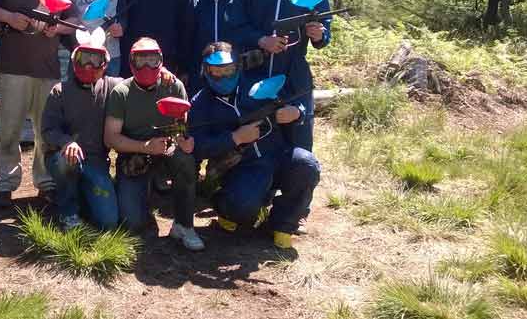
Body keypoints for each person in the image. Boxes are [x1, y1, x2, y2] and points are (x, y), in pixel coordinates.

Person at [188, 42, 321, 249]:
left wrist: (297, 113)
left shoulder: (259, 86)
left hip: (277, 154)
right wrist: (235, 138)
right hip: (242, 166)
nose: (223, 76)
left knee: (307, 164)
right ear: (205, 71)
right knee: (241, 205)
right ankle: (226, 206)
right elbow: (198, 146)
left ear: (238, 67)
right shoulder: (200, 103)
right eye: (215, 71)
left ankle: (282, 223)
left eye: (228, 69)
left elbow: (296, 103)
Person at [0, 0, 78, 207]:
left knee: (45, 131)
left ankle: (46, 181)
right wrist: (10, 18)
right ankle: (6, 183)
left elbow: (73, 19)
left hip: (47, 70)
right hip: (13, 67)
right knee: (9, 129)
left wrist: (57, 28)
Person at [225, 0, 332, 151]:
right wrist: (261, 40)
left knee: (299, 141)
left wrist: (319, 34)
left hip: (294, 73)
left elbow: (324, 33)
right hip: (256, 70)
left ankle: (297, 185)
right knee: (254, 140)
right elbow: (233, 26)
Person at [104, 37, 203, 251]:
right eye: (141, 60)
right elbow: (111, 138)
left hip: (167, 149)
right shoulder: (122, 92)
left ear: (161, 61)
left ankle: (184, 224)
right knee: (132, 223)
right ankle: (143, 197)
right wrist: (145, 147)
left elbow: (182, 127)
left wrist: (184, 142)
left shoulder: (173, 86)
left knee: (185, 159)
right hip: (135, 154)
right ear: (131, 62)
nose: (147, 66)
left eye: (153, 59)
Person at [40, 38, 119, 230]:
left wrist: (166, 74)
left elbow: (138, 87)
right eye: (84, 58)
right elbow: (48, 130)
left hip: (95, 162)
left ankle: (81, 192)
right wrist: (66, 142)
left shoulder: (114, 87)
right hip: (63, 157)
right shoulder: (60, 91)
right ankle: (68, 212)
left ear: (105, 63)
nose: (89, 65)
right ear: (75, 61)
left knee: (108, 222)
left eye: (96, 59)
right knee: (67, 162)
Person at [190, 0, 236, 93]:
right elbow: (187, 38)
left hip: (232, 72)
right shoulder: (195, 4)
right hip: (201, 73)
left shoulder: (240, 2)